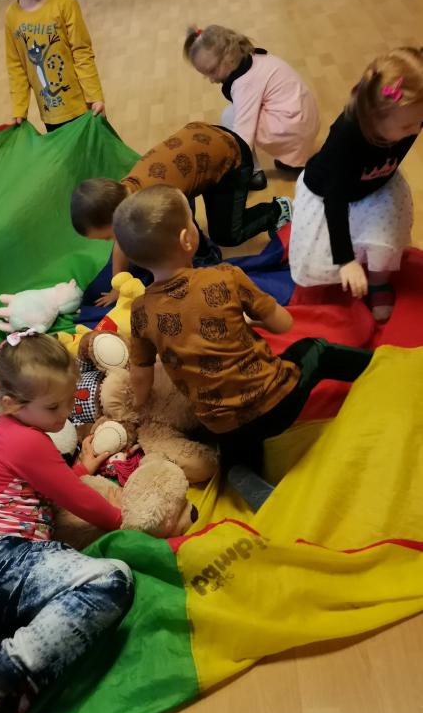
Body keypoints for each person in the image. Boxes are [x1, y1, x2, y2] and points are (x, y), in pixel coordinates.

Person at [113, 185, 372, 507]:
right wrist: (258, 318)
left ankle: (239, 472)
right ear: (187, 239)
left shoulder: (140, 311)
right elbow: (284, 324)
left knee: (236, 448)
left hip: (222, 424)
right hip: (277, 402)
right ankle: (379, 365)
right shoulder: (225, 277)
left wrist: (140, 406)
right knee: (315, 349)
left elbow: (141, 376)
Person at [0, 331, 133, 713]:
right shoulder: (25, 440)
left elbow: (49, 486)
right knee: (111, 580)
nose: (66, 413)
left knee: (70, 608)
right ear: (9, 404)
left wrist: (80, 470)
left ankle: (22, 679)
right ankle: (1, 668)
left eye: (69, 400)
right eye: (54, 406)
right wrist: (126, 522)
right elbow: (77, 499)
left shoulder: (19, 432)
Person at [71, 122, 292, 305]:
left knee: (227, 235)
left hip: (231, 154)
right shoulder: (123, 195)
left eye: (107, 236)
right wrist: (117, 287)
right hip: (201, 141)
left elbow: (183, 235)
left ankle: (277, 210)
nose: (112, 241)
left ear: (116, 216)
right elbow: (122, 240)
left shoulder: (155, 203)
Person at [289, 47, 423, 321]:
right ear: (374, 118)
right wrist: (346, 260)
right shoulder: (347, 135)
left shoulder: (410, 116)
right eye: (408, 126)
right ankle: (340, 274)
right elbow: (335, 199)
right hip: (329, 193)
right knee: (325, 252)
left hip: (376, 185)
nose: (416, 129)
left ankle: (378, 282)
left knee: (386, 239)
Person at [184, 24, 320, 190]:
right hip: (304, 122)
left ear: (228, 56)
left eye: (212, 71)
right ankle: (293, 159)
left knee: (230, 116)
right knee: (240, 112)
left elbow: (243, 137)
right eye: (206, 76)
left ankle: (253, 174)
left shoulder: (244, 84)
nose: (212, 80)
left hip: (294, 130)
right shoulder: (253, 57)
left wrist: (227, 167)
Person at [0, 0, 105, 131]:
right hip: (49, 113)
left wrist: (95, 96)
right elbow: (16, 66)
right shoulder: (12, 16)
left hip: (81, 108)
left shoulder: (66, 5)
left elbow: (82, 53)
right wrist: (19, 109)